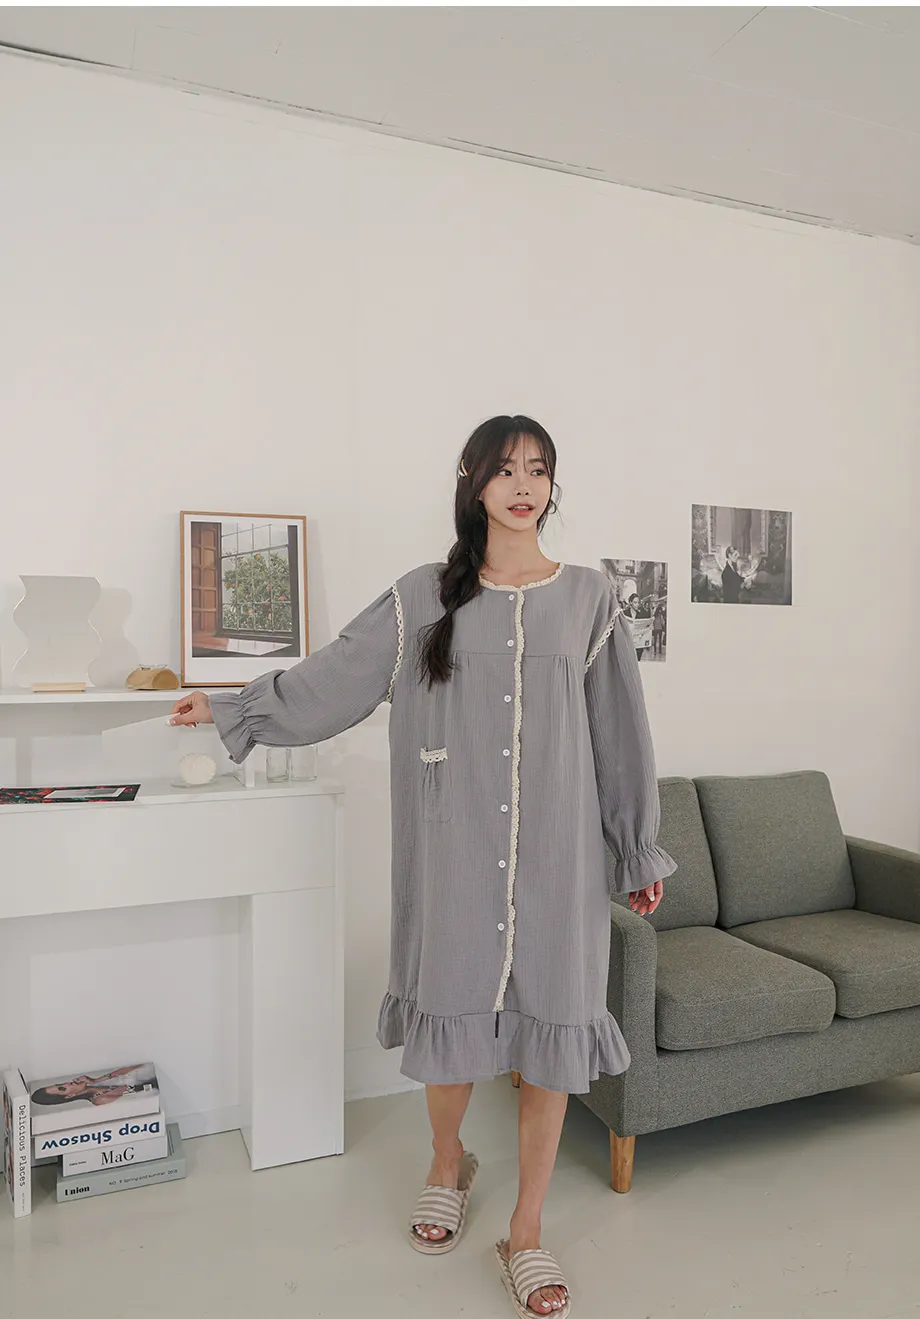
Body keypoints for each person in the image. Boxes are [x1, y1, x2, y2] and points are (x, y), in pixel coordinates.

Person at [171, 415, 675, 1318]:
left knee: (554, 1040)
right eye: (505, 470)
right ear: (473, 482)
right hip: (454, 857)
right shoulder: (422, 598)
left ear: (552, 486)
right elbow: (336, 677)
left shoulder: (591, 599)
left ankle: (526, 1230)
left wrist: (635, 844)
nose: (523, 486)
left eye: (538, 470)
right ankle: (448, 1161)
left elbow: (621, 731)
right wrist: (231, 708)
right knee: (449, 1026)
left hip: (558, 865)